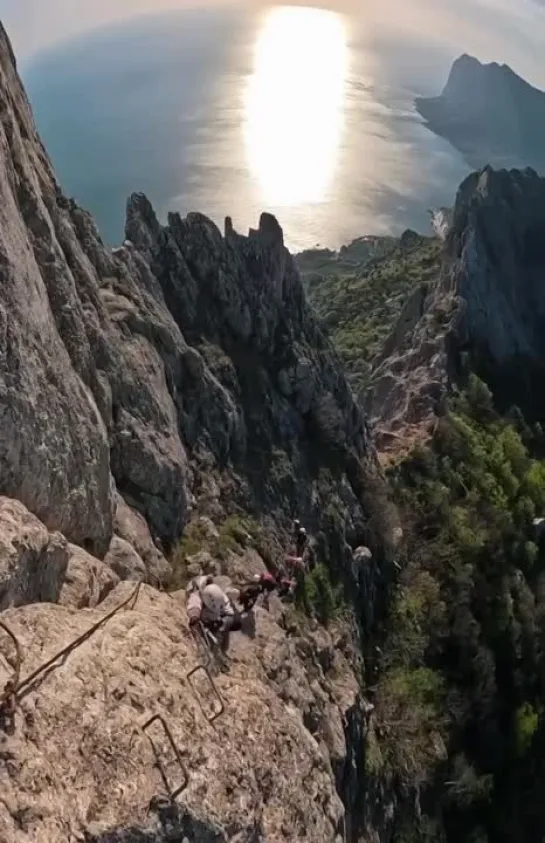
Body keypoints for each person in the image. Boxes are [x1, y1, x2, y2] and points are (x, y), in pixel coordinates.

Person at [186, 575, 242, 651]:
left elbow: (230, 612)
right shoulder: (198, 594)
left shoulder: (220, 596)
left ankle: (222, 649)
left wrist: (224, 623)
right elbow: (194, 604)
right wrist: (194, 616)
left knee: (229, 624)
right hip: (206, 614)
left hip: (219, 615)